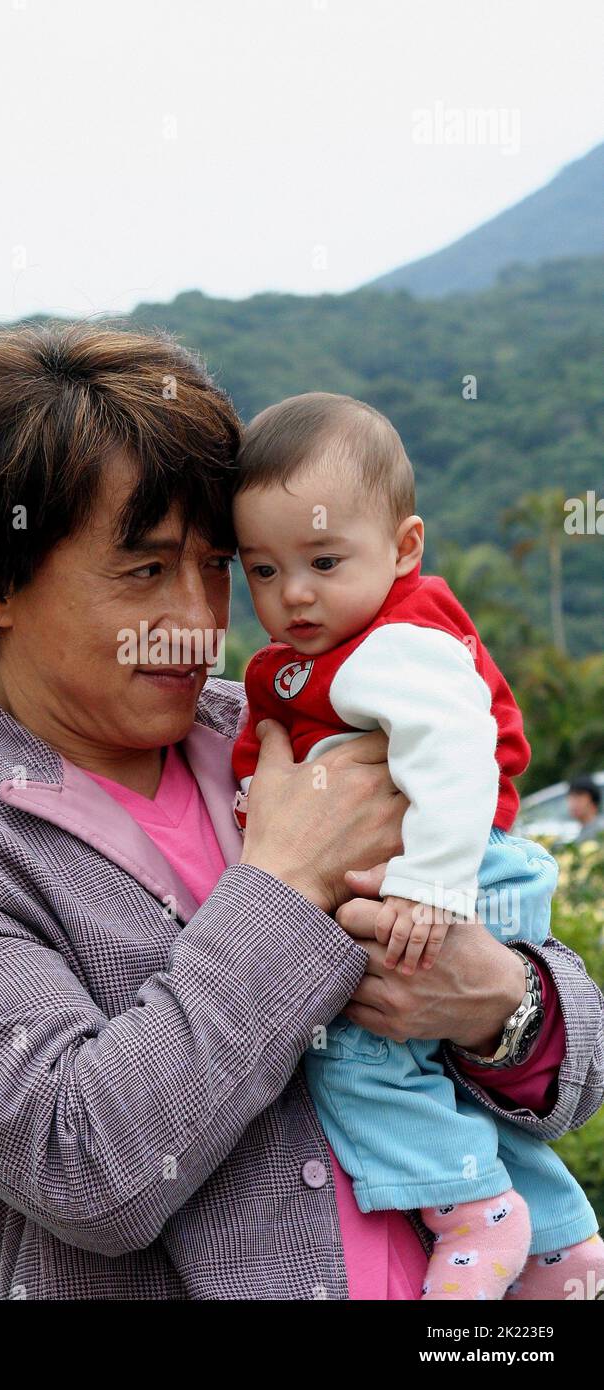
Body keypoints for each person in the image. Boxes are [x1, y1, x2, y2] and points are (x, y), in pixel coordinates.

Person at [0, 324, 604, 1300]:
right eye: (144, 571)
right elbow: (89, 1167)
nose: (196, 622)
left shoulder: (290, 728)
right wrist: (279, 885)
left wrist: (501, 1007)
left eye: (218, 568)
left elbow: (574, 1060)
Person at [231, 391, 604, 1300]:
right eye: (265, 571)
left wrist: (431, 891)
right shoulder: (358, 642)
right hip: (453, 868)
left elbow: (458, 755)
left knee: (361, 1059)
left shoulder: (391, 647)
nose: (296, 595)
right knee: (443, 1066)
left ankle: (473, 1213)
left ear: (403, 547)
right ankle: (560, 1241)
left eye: (323, 560)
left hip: (452, 871)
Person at [567, 776, 604, 844]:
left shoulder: (600, 831)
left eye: (578, 798)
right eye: (571, 798)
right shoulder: (582, 833)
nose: (573, 804)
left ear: (593, 802)